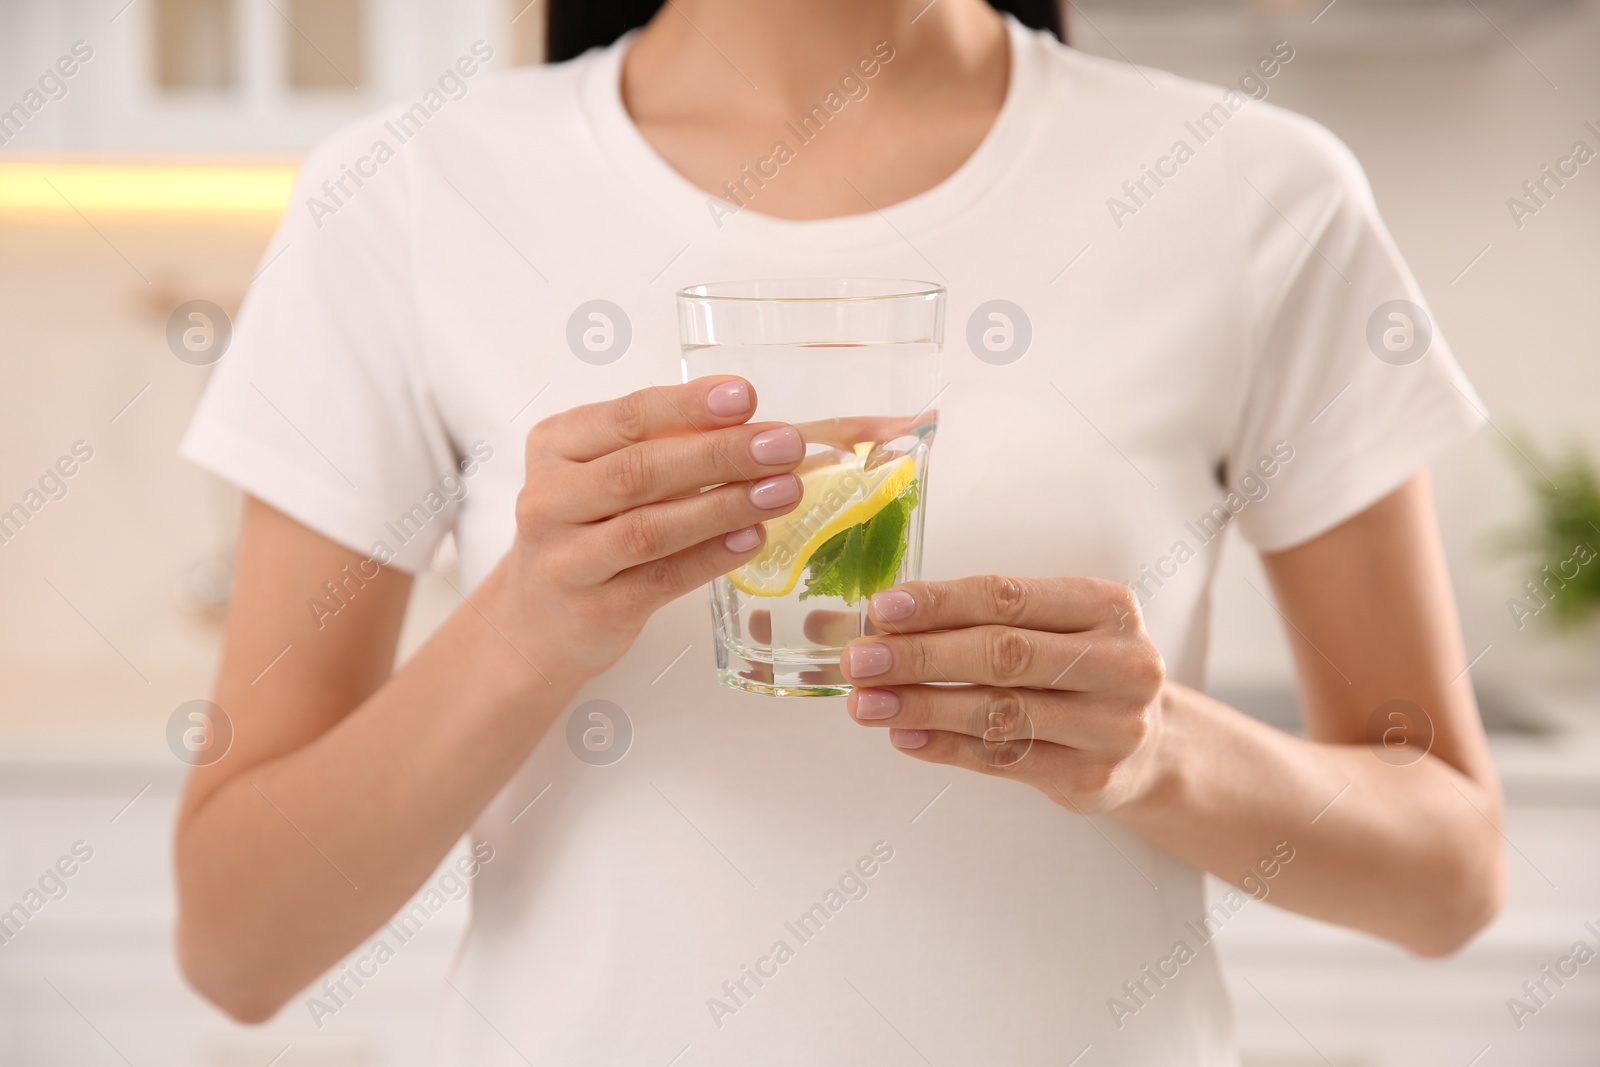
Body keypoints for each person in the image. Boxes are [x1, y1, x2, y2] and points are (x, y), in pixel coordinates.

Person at [173, 0, 1504, 1062]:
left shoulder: (1258, 194)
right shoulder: (404, 198)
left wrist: (1159, 757)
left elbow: (1448, 874)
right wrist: (528, 626)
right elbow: (238, 947)